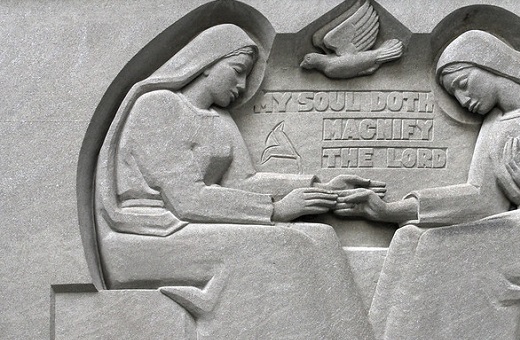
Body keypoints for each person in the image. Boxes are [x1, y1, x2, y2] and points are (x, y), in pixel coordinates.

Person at [335, 30, 520, 339]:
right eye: (455, 96)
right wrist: (390, 211)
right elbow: (481, 199)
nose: (464, 101)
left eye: (463, 85)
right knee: (410, 238)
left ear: (491, 63)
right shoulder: (497, 123)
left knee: (442, 246)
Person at [94, 24, 376, 339]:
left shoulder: (220, 120)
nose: (242, 85)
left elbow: (244, 181)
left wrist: (317, 189)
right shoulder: (158, 106)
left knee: (321, 235)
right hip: (149, 233)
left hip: (190, 230)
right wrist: (276, 210)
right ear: (205, 64)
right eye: (237, 70)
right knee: (285, 243)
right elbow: (187, 200)